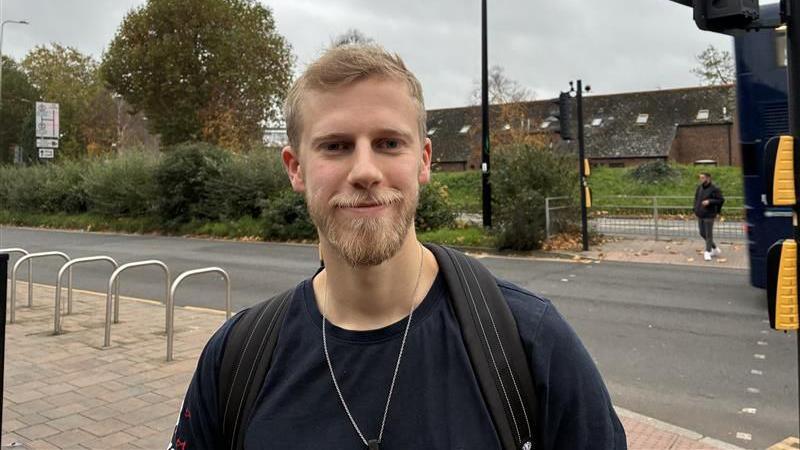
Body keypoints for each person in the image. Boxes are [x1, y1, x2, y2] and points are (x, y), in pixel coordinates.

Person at [170, 44, 625, 450]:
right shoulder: (236, 361)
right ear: (296, 168)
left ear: (423, 160)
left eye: (389, 143)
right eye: (335, 146)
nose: (365, 170)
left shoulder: (529, 343)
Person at [694, 172, 725, 261]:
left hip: (709, 214)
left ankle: (707, 252)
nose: (701, 179)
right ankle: (715, 248)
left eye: (703, 178)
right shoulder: (699, 188)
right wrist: (695, 209)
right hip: (700, 214)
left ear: (708, 178)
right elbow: (696, 199)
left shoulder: (714, 189)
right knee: (702, 233)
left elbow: (721, 200)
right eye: (700, 178)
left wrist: (709, 201)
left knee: (708, 234)